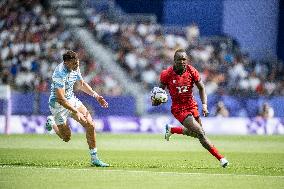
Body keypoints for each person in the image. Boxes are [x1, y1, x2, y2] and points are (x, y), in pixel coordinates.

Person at [152, 49, 229, 168]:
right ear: (174, 61)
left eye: (184, 59)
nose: (182, 62)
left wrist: (204, 105)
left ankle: (172, 130)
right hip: (179, 109)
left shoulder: (192, 70)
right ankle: (221, 159)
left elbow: (202, 88)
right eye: (180, 59)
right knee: (201, 133)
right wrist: (156, 101)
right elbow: (159, 92)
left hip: (192, 105)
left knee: (198, 134)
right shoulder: (166, 74)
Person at [45, 50, 109, 167]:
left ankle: (94, 158)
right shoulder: (59, 74)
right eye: (74, 64)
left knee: (90, 125)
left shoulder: (75, 67)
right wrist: (75, 112)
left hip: (71, 100)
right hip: (59, 106)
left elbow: (82, 84)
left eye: (77, 63)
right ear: (66, 63)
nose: (77, 66)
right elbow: (61, 99)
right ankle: (52, 123)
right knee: (66, 138)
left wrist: (96, 96)